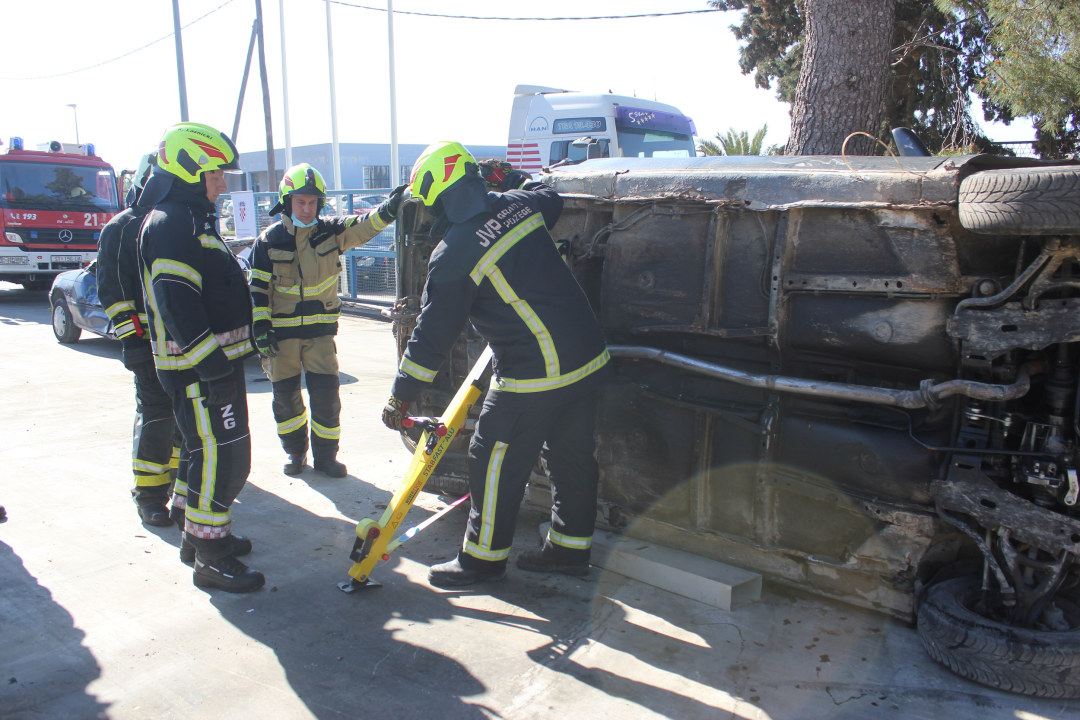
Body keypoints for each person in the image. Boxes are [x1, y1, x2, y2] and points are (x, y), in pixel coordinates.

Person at [381, 141, 611, 587]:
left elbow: (431, 337)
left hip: (536, 371)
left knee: (492, 456)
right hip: (586, 356)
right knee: (572, 457)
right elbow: (550, 196)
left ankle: (481, 561)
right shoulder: (518, 204)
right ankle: (569, 550)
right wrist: (514, 180)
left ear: (434, 194)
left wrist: (400, 397)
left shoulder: (454, 254)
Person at [137, 122, 261, 593]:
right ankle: (211, 558)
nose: (223, 183)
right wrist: (213, 369)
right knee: (222, 461)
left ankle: (200, 537)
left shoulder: (190, 221)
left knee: (208, 457)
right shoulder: (172, 225)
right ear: (191, 172)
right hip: (200, 372)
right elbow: (178, 305)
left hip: (212, 369)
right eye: (216, 174)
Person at [249, 164, 405, 477]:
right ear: (287, 202)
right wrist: (261, 328)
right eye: (300, 202)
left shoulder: (331, 232)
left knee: (326, 400)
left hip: (320, 338)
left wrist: (388, 210)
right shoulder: (268, 241)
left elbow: (362, 226)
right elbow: (257, 290)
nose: (307, 210)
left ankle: (325, 458)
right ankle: (295, 454)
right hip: (282, 341)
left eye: (312, 203)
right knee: (286, 402)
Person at [97, 152, 182, 529]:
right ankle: (149, 496)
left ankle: (180, 486)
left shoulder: (175, 223)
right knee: (157, 418)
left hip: (184, 345)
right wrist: (133, 343)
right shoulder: (121, 228)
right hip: (148, 345)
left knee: (184, 421)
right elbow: (113, 293)